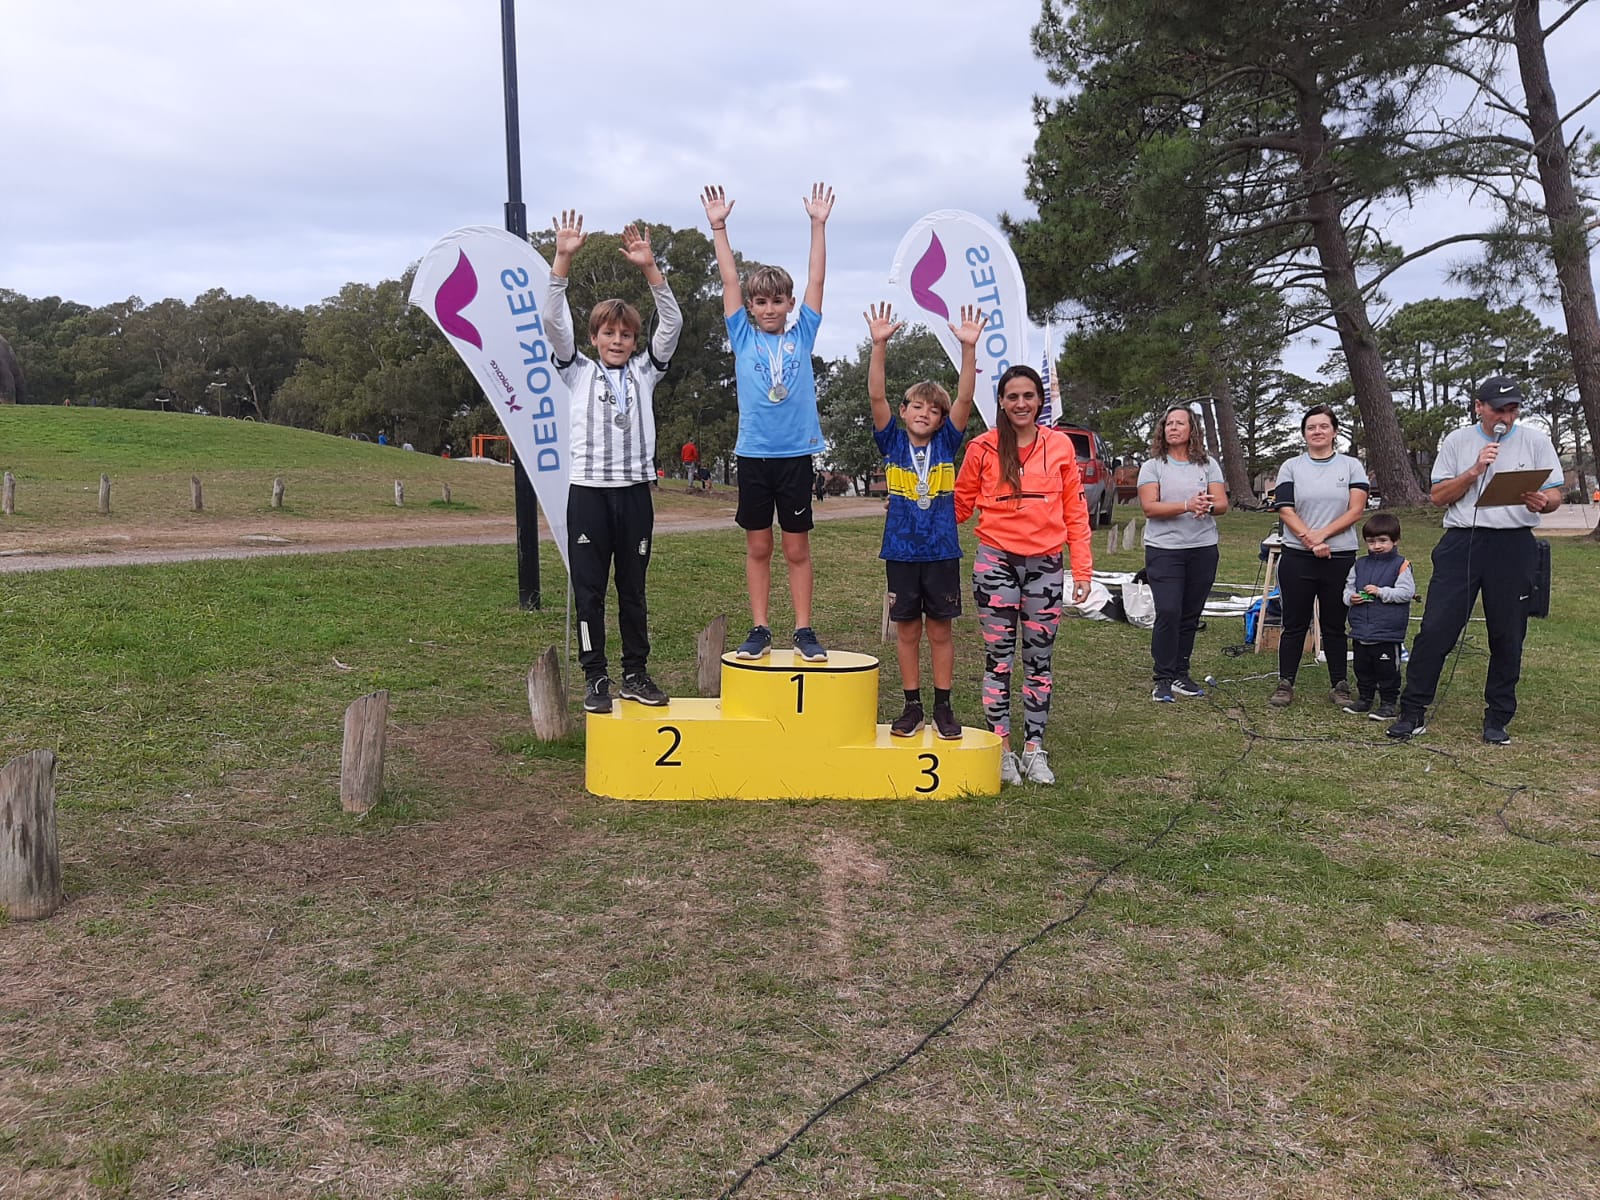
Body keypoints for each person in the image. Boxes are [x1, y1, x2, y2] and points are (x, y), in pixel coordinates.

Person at [545, 210, 682, 714]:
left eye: (625, 334)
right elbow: (552, 321)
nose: (618, 341)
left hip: (634, 493)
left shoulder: (646, 372)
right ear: (594, 338)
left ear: (634, 341)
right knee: (589, 590)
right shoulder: (576, 370)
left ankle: (635, 673)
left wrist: (650, 270)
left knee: (633, 589)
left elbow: (673, 323)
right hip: (588, 494)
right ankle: (595, 676)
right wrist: (562, 259)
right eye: (609, 333)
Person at [1387, 375, 1564, 744]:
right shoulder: (1457, 441)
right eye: (1498, 409)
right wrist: (1473, 472)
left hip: (1514, 543)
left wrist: (1543, 502)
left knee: (1507, 633)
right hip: (1462, 542)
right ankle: (1412, 711)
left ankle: (1497, 717)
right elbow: (1438, 496)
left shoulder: (1536, 441)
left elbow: (1554, 495)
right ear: (1479, 407)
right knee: (1436, 628)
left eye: (1513, 409)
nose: (1506, 417)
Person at [701, 182, 835, 662]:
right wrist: (719, 228)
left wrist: (817, 225)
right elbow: (730, 282)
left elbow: (817, 280)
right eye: (761, 303)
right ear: (751, 308)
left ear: (790, 304)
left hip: (795, 456)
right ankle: (759, 628)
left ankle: (803, 629)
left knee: (797, 550)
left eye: (778, 301)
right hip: (755, 456)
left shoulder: (803, 335)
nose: (769, 309)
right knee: (759, 548)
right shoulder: (742, 335)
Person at [955, 366, 1094, 785]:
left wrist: (1082, 568)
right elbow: (958, 506)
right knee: (998, 661)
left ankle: (1034, 750)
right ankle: (1001, 750)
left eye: (1028, 396)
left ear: (1040, 401)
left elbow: (1075, 510)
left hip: (1046, 567)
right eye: (1012, 396)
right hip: (995, 564)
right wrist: (913, 509)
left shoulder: (1060, 446)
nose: (1020, 404)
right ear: (1000, 401)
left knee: (1039, 662)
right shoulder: (982, 447)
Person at [867, 301, 986, 741]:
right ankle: (912, 706)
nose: (924, 413)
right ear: (903, 411)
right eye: (916, 406)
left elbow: (965, 397)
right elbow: (876, 396)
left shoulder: (948, 443)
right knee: (907, 631)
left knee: (940, 631)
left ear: (941, 419)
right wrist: (879, 346)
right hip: (901, 553)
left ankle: (943, 707)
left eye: (933, 410)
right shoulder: (892, 442)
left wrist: (968, 349)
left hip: (941, 553)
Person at [1266, 405, 1369, 708]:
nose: (1317, 432)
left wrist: (1321, 536)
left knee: (1335, 624)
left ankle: (1339, 685)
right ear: (1304, 433)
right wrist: (1310, 541)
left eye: (1324, 426)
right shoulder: (1291, 467)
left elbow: (1356, 510)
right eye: (1311, 427)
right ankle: (1285, 683)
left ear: (1334, 431)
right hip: (1298, 556)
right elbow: (1285, 509)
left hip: (1338, 557)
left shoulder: (1351, 466)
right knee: (1294, 623)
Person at [1138, 404, 1229, 702]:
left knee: (1190, 614)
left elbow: (1222, 504)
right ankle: (1163, 677)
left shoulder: (1208, 464)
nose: (1173, 428)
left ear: (1192, 430)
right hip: (1164, 550)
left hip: (1202, 549)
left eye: (1180, 423)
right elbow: (1150, 507)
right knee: (1168, 611)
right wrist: (1187, 505)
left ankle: (1181, 673)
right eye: (1169, 424)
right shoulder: (1153, 466)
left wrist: (1207, 506)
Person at [1341, 512, 1415, 720]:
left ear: (1395, 540)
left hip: (1387, 632)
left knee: (1387, 670)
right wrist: (1350, 598)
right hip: (1360, 630)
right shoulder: (1359, 564)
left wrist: (1381, 592)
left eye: (1383, 541)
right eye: (1371, 541)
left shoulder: (1401, 565)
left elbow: (1406, 593)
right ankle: (1365, 698)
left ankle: (1388, 703)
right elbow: (1348, 588)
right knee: (1362, 667)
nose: (1377, 546)